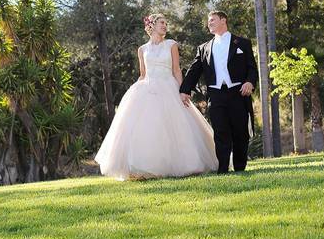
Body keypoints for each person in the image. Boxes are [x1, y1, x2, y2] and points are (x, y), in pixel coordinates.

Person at [95, 14, 219, 180]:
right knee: (147, 128)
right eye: (162, 23)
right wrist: (134, 91)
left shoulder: (171, 45)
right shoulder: (142, 49)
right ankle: (143, 168)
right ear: (151, 25)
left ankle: (188, 164)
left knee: (178, 126)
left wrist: (183, 91)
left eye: (166, 23)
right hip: (147, 89)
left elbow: (176, 70)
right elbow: (143, 74)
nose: (165, 26)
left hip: (169, 87)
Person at [180, 11, 259, 173]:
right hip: (216, 95)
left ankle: (239, 168)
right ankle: (223, 169)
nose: (209, 23)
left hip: (238, 93)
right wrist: (185, 90)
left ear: (224, 20)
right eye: (208, 21)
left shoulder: (242, 43)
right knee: (220, 132)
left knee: (240, 133)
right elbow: (194, 71)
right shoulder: (203, 48)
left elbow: (252, 67)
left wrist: (249, 82)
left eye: (212, 20)